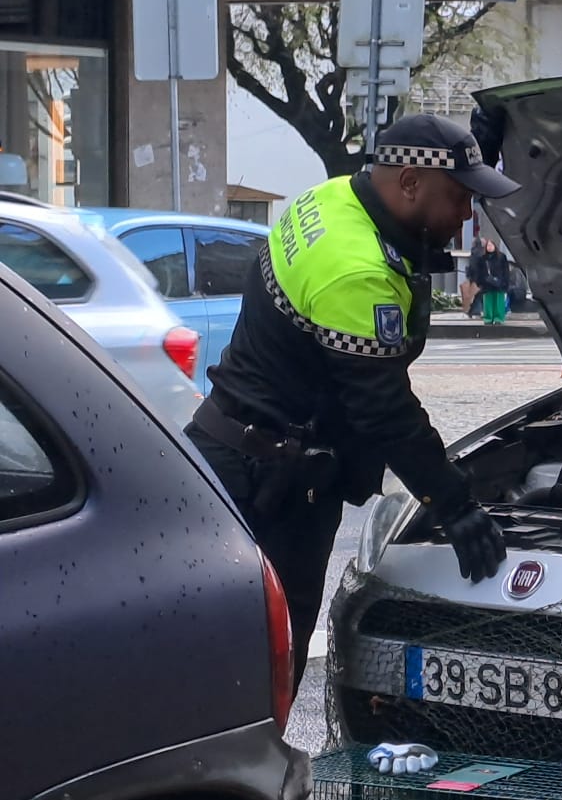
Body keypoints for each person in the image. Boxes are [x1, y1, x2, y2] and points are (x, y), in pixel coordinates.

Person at [188, 114, 518, 680]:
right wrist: (456, 506)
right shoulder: (355, 272)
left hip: (229, 455)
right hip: (271, 490)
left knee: (216, 656)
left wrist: (474, 150)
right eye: (461, 199)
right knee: (264, 665)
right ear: (410, 183)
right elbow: (383, 409)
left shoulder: (334, 197)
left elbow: (422, 202)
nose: (466, 216)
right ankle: (252, 768)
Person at [472, 238, 512, 325]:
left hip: (499, 283)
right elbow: (479, 271)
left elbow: (505, 271)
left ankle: (499, 318)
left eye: (491, 245)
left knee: (499, 302)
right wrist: (480, 282)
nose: (489, 247)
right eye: (488, 246)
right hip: (487, 283)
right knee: (488, 302)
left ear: (495, 246)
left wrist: (505, 282)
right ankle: (488, 318)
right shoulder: (483, 258)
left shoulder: (501, 257)